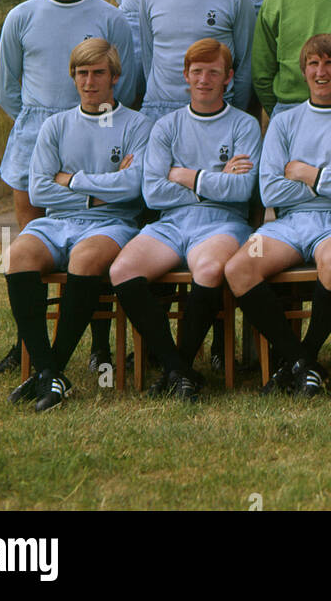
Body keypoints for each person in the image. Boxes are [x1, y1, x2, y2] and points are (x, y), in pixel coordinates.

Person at [0, 0, 138, 377]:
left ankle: (98, 349)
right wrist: (48, 124)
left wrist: (90, 121)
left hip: (97, 133)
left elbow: (127, 79)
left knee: (88, 246)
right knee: (33, 248)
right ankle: (27, 348)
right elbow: (5, 88)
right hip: (37, 135)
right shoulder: (22, 15)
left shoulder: (110, 17)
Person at [224, 34, 331, 396]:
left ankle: (301, 359)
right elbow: (271, 190)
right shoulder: (283, 120)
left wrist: (307, 172)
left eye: (330, 63)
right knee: (239, 267)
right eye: (313, 63)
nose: (320, 71)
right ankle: (302, 362)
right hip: (289, 225)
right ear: (303, 70)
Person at [107, 39, 261, 401]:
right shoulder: (166, 126)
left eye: (213, 72)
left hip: (223, 223)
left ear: (229, 77)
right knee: (122, 271)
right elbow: (153, 193)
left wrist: (184, 174)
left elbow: (242, 190)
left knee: (208, 270)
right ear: (185, 76)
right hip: (171, 223)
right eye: (197, 72)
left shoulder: (244, 125)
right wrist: (214, 178)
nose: (204, 79)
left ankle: (178, 368)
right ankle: (178, 368)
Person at [4, 38, 152, 411]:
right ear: (73, 77)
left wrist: (70, 179)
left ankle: (48, 371)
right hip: (58, 223)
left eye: (98, 73)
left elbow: (133, 189)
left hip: (113, 223)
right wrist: (101, 189)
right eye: (82, 73)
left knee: (84, 260)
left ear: (114, 77)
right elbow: (39, 191)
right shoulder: (55, 126)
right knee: (18, 255)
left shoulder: (138, 125)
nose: (90, 82)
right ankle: (49, 372)